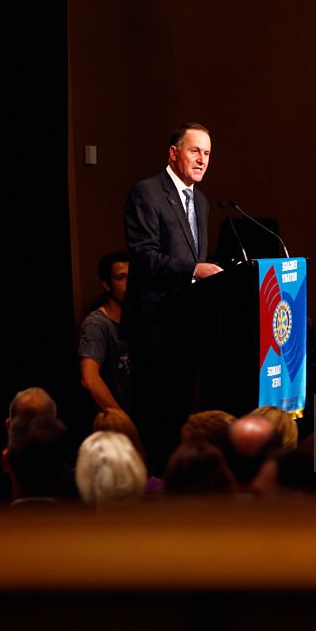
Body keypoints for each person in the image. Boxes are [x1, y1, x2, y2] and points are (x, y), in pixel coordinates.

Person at [123, 122, 223, 473]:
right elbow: (144, 255)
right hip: (155, 324)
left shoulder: (203, 201)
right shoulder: (147, 193)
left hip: (187, 323)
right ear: (174, 153)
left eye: (207, 153)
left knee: (182, 410)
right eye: (195, 151)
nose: (202, 160)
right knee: (157, 416)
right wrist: (194, 270)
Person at [78, 251, 132, 413]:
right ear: (107, 284)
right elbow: (89, 378)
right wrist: (122, 420)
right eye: (121, 278)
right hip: (114, 427)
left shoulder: (139, 319)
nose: (129, 284)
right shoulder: (97, 324)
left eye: (132, 277)